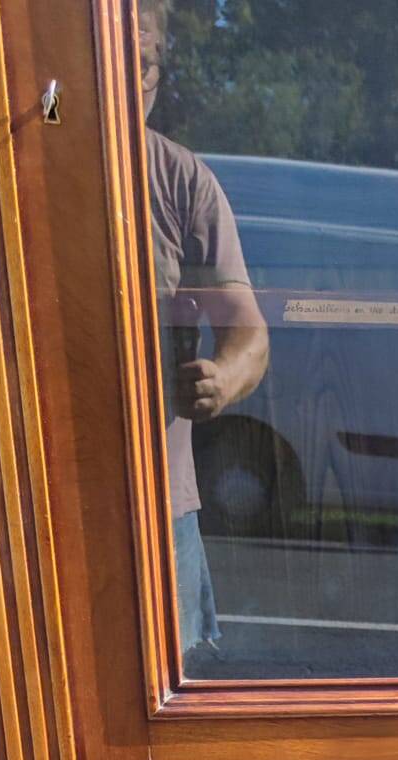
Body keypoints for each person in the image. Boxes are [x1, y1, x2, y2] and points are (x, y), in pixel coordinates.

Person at [139, 0, 269, 660]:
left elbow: (249, 333)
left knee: (164, 714)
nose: (132, 80)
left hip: (161, 507)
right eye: (113, 63)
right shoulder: (25, 169)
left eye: (145, 62)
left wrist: (222, 378)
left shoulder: (183, 183)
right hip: (29, 507)